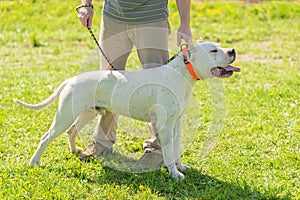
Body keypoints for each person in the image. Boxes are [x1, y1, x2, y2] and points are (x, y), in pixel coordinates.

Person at [77, 0, 192, 171]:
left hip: (151, 19)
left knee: (158, 87)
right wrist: (86, 4)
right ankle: (102, 142)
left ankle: (157, 149)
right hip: (113, 18)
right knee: (108, 84)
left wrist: (185, 24)